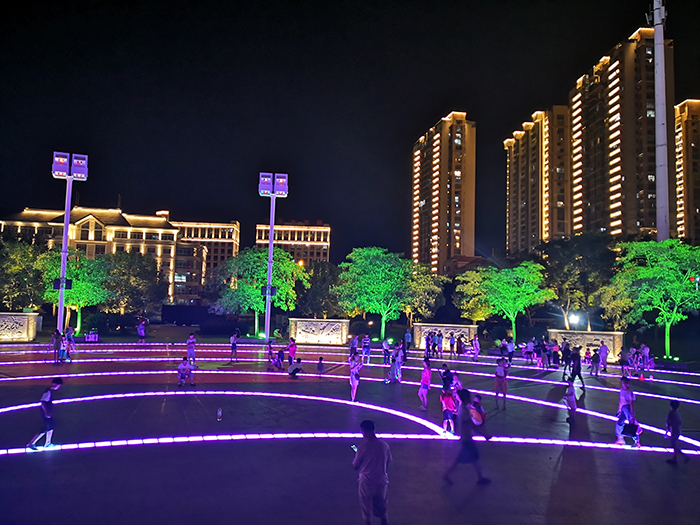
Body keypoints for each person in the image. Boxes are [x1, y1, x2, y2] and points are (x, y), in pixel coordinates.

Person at [443, 389, 491, 486]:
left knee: (470, 459)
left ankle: (480, 477)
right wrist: (484, 434)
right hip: (467, 438)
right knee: (472, 458)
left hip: (465, 437)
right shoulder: (464, 410)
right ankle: (480, 478)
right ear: (465, 398)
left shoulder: (462, 407)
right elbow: (471, 425)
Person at [352, 420, 392, 525]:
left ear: (363, 431)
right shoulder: (384, 446)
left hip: (366, 483)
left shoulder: (362, 447)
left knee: (367, 513)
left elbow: (355, 466)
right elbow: (388, 462)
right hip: (381, 481)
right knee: (383, 511)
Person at [27, 378, 63, 450]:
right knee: (46, 428)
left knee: (51, 426)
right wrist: (46, 412)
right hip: (46, 413)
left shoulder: (49, 391)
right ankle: (32, 443)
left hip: (47, 412)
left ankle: (47, 443)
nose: (58, 387)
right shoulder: (48, 392)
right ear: (55, 384)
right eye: (58, 385)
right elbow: (43, 402)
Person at [615, 377, 640, 447]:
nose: (624, 385)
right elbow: (620, 400)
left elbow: (631, 403)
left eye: (625, 383)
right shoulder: (621, 390)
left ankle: (637, 441)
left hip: (627, 408)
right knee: (619, 423)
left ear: (628, 383)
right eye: (623, 383)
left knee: (631, 425)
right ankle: (620, 439)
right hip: (623, 408)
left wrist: (632, 412)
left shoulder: (629, 392)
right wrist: (619, 409)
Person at [666, 400, 688, 465]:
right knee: (674, 444)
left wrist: (667, 431)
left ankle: (684, 456)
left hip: (674, 431)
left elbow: (668, 423)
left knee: (673, 445)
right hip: (677, 430)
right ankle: (674, 458)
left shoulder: (671, 413)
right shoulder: (677, 413)